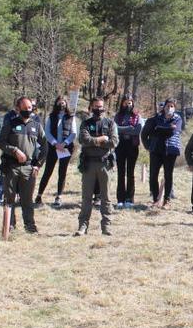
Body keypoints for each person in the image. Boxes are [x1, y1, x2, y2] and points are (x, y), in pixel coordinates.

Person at [0, 96, 47, 233]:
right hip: (11, 167)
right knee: (9, 198)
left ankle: (30, 226)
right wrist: (14, 150)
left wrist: (38, 165)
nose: (27, 111)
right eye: (24, 108)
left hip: (29, 168)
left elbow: (45, 146)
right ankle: (9, 226)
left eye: (29, 108)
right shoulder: (10, 123)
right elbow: (0, 142)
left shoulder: (36, 126)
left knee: (27, 200)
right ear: (17, 109)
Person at [75, 97, 117, 236]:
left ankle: (106, 226)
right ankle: (83, 226)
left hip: (105, 164)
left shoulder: (110, 123)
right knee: (86, 198)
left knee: (106, 197)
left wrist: (94, 141)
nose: (99, 109)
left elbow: (113, 142)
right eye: (96, 107)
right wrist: (100, 139)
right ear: (91, 107)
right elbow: (83, 140)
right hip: (89, 164)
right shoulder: (86, 124)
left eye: (101, 107)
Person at [141, 98, 182, 208]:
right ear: (164, 107)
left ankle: (167, 201)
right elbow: (144, 134)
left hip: (170, 151)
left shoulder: (178, 119)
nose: (169, 108)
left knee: (168, 175)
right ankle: (155, 199)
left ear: (175, 108)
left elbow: (173, 131)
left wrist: (159, 129)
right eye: (168, 106)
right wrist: (148, 145)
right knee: (153, 175)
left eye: (172, 106)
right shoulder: (155, 119)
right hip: (156, 150)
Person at [36, 95, 76, 207]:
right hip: (53, 148)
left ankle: (59, 196)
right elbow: (47, 133)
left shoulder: (70, 117)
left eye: (63, 102)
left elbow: (73, 133)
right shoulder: (51, 116)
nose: (61, 103)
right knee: (47, 171)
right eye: (59, 101)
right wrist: (55, 144)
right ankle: (39, 195)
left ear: (66, 103)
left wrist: (64, 144)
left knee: (62, 172)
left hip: (65, 148)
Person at [114, 95, 142, 209]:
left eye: (129, 103)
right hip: (120, 146)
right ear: (122, 104)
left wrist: (124, 129)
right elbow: (115, 129)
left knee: (130, 173)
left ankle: (129, 199)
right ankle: (120, 199)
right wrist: (129, 128)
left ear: (132, 104)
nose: (128, 105)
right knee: (121, 173)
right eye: (126, 103)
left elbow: (137, 130)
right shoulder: (118, 116)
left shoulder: (137, 116)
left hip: (132, 146)